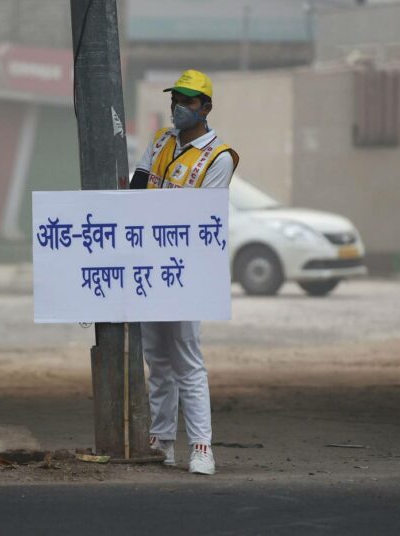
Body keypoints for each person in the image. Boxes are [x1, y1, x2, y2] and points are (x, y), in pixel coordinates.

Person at [131, 69, 239, 475]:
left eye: (188, 101)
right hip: (149, 262)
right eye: (175, 98)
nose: (178, 107)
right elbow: (138, 187)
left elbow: (199, 216)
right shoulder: (162, 141)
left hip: (185, 268)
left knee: (187, 361)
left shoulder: (219, 157)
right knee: (156, 358)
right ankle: (161, 442)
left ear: (206, 108)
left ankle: (202, 447)